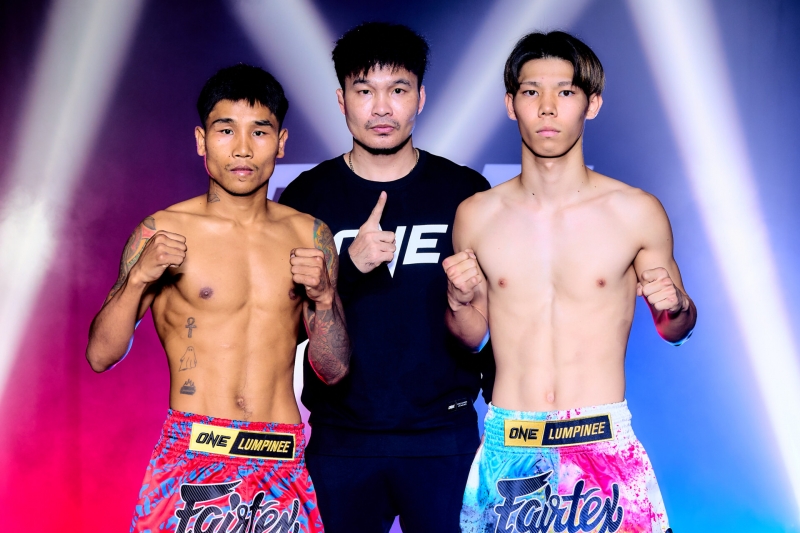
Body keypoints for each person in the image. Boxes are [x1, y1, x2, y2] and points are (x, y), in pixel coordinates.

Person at [446, 31, 695, 533]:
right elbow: (471, 336)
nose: (547, 107)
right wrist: (458, 301)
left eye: (565, 91)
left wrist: (677, 305)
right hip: (511, 444)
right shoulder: (477, 215)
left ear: (592, 103)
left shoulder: (635, 211)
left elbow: (676, 328)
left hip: (602, 442)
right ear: (511, 104)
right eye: (531, 91)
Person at [85, 64, 350, 533]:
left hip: (281, 458)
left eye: (259, 131)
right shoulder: (162, 229)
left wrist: (326, 297)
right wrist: (139, 277)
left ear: (281, 142)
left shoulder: (310, 235)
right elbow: (100, 355)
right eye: (226, 130)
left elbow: (334, 370)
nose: (242, 148)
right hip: (193, 453)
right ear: (201, 140)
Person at [278, 22, 493, 533]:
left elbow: (493, 321)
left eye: (397, 90)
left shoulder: (465, 191)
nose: (381, 108)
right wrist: (348, 266)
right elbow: (285, 324)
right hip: (342, 441)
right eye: (364, 91)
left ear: (420, 97)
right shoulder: (306, 197)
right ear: (341, 100)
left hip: (444, 437)